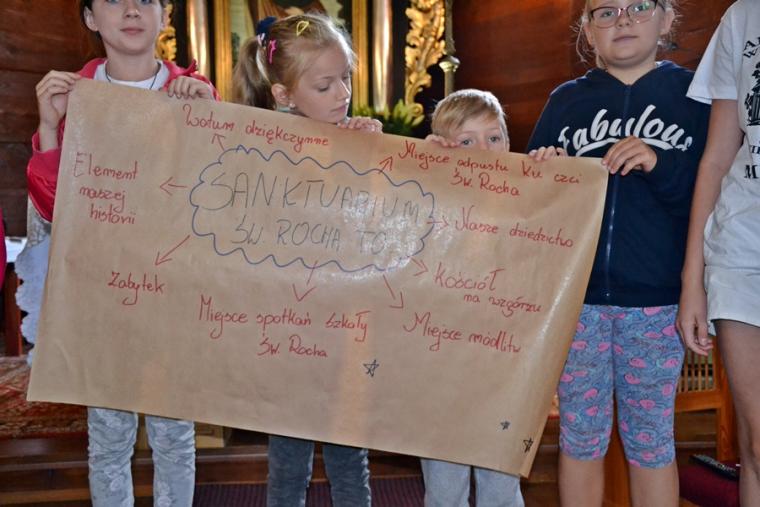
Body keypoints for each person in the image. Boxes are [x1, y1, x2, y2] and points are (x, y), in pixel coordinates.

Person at [27, 1, 218, 505]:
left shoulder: (194, 92)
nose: (132, 9)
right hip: (102, 298)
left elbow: (220, 201)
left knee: (175, 437)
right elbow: (54, 209)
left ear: (165, 15)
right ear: (91, 17)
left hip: (174, 295)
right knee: (109, 439)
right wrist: (49, 128)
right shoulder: (76, 95)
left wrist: (210, 119)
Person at [526, 1, 709, 505]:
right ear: (587, 30)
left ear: (667, 19)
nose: (622, 20)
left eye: (639, 6)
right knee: (579, 437)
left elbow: (709, 197)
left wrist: (659, 163)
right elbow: (533, 208)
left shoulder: (694, 97)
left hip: (656, 304)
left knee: (651, 441)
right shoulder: (565, 101)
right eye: (604, 11)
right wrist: (545, 173)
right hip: (576, 303)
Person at [233, 13, 380, 507]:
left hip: (345, 330)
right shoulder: (262, 148)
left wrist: (373, 153)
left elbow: (376, 219)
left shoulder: (355, 137)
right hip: (287, 332)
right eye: (325, 85)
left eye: (345, 79)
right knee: (288, 461)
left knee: (350, 457)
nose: (342, 94)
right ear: (284, 95)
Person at [422, 89, 524, 507]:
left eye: (493, 137)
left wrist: (553, 171)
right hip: (439, 367)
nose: (484, 150)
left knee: (501, 484)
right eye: (467, 141)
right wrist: (426, 168)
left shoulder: (528, 204)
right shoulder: (429, 200)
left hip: (505, 368)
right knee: (445, 486)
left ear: (508, 143)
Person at [676, 1, 760, 504]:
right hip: (742, 249)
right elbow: (715, 158)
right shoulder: (742, 16)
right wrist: (693, 278)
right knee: (756, 445)